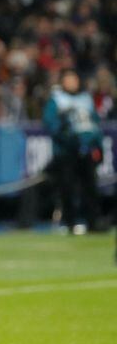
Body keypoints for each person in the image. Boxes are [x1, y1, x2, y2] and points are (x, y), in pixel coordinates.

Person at [44, 69, 103, 234]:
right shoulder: (57, 100)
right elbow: (50, 123)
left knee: (90, 187)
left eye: (74, 79)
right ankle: (70, 222)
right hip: (66, 151)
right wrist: (66, 136)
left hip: (86, 149)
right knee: (67, 187)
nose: (72, 82)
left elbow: (95, 123)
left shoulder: (86, 99)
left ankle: (93, 222)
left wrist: (97, 144)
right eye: (68, 79)